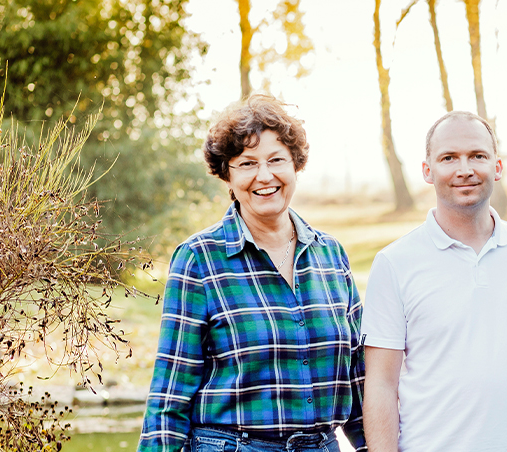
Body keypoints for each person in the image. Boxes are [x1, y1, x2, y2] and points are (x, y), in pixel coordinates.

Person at [138, 95, 366, 452]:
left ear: (296, 166)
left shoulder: (331, 256)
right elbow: (170, 399)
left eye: (277, 160)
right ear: (227, 173)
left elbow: (359, 381)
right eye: (247, 163)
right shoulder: (199, 260)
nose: (265, 176)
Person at [361, 111, 507, 452]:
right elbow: (380, 385)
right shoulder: (394, 263)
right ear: (427, 171)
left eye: (477, 155)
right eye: (449, 158)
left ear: (497, 166)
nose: (465, 169)